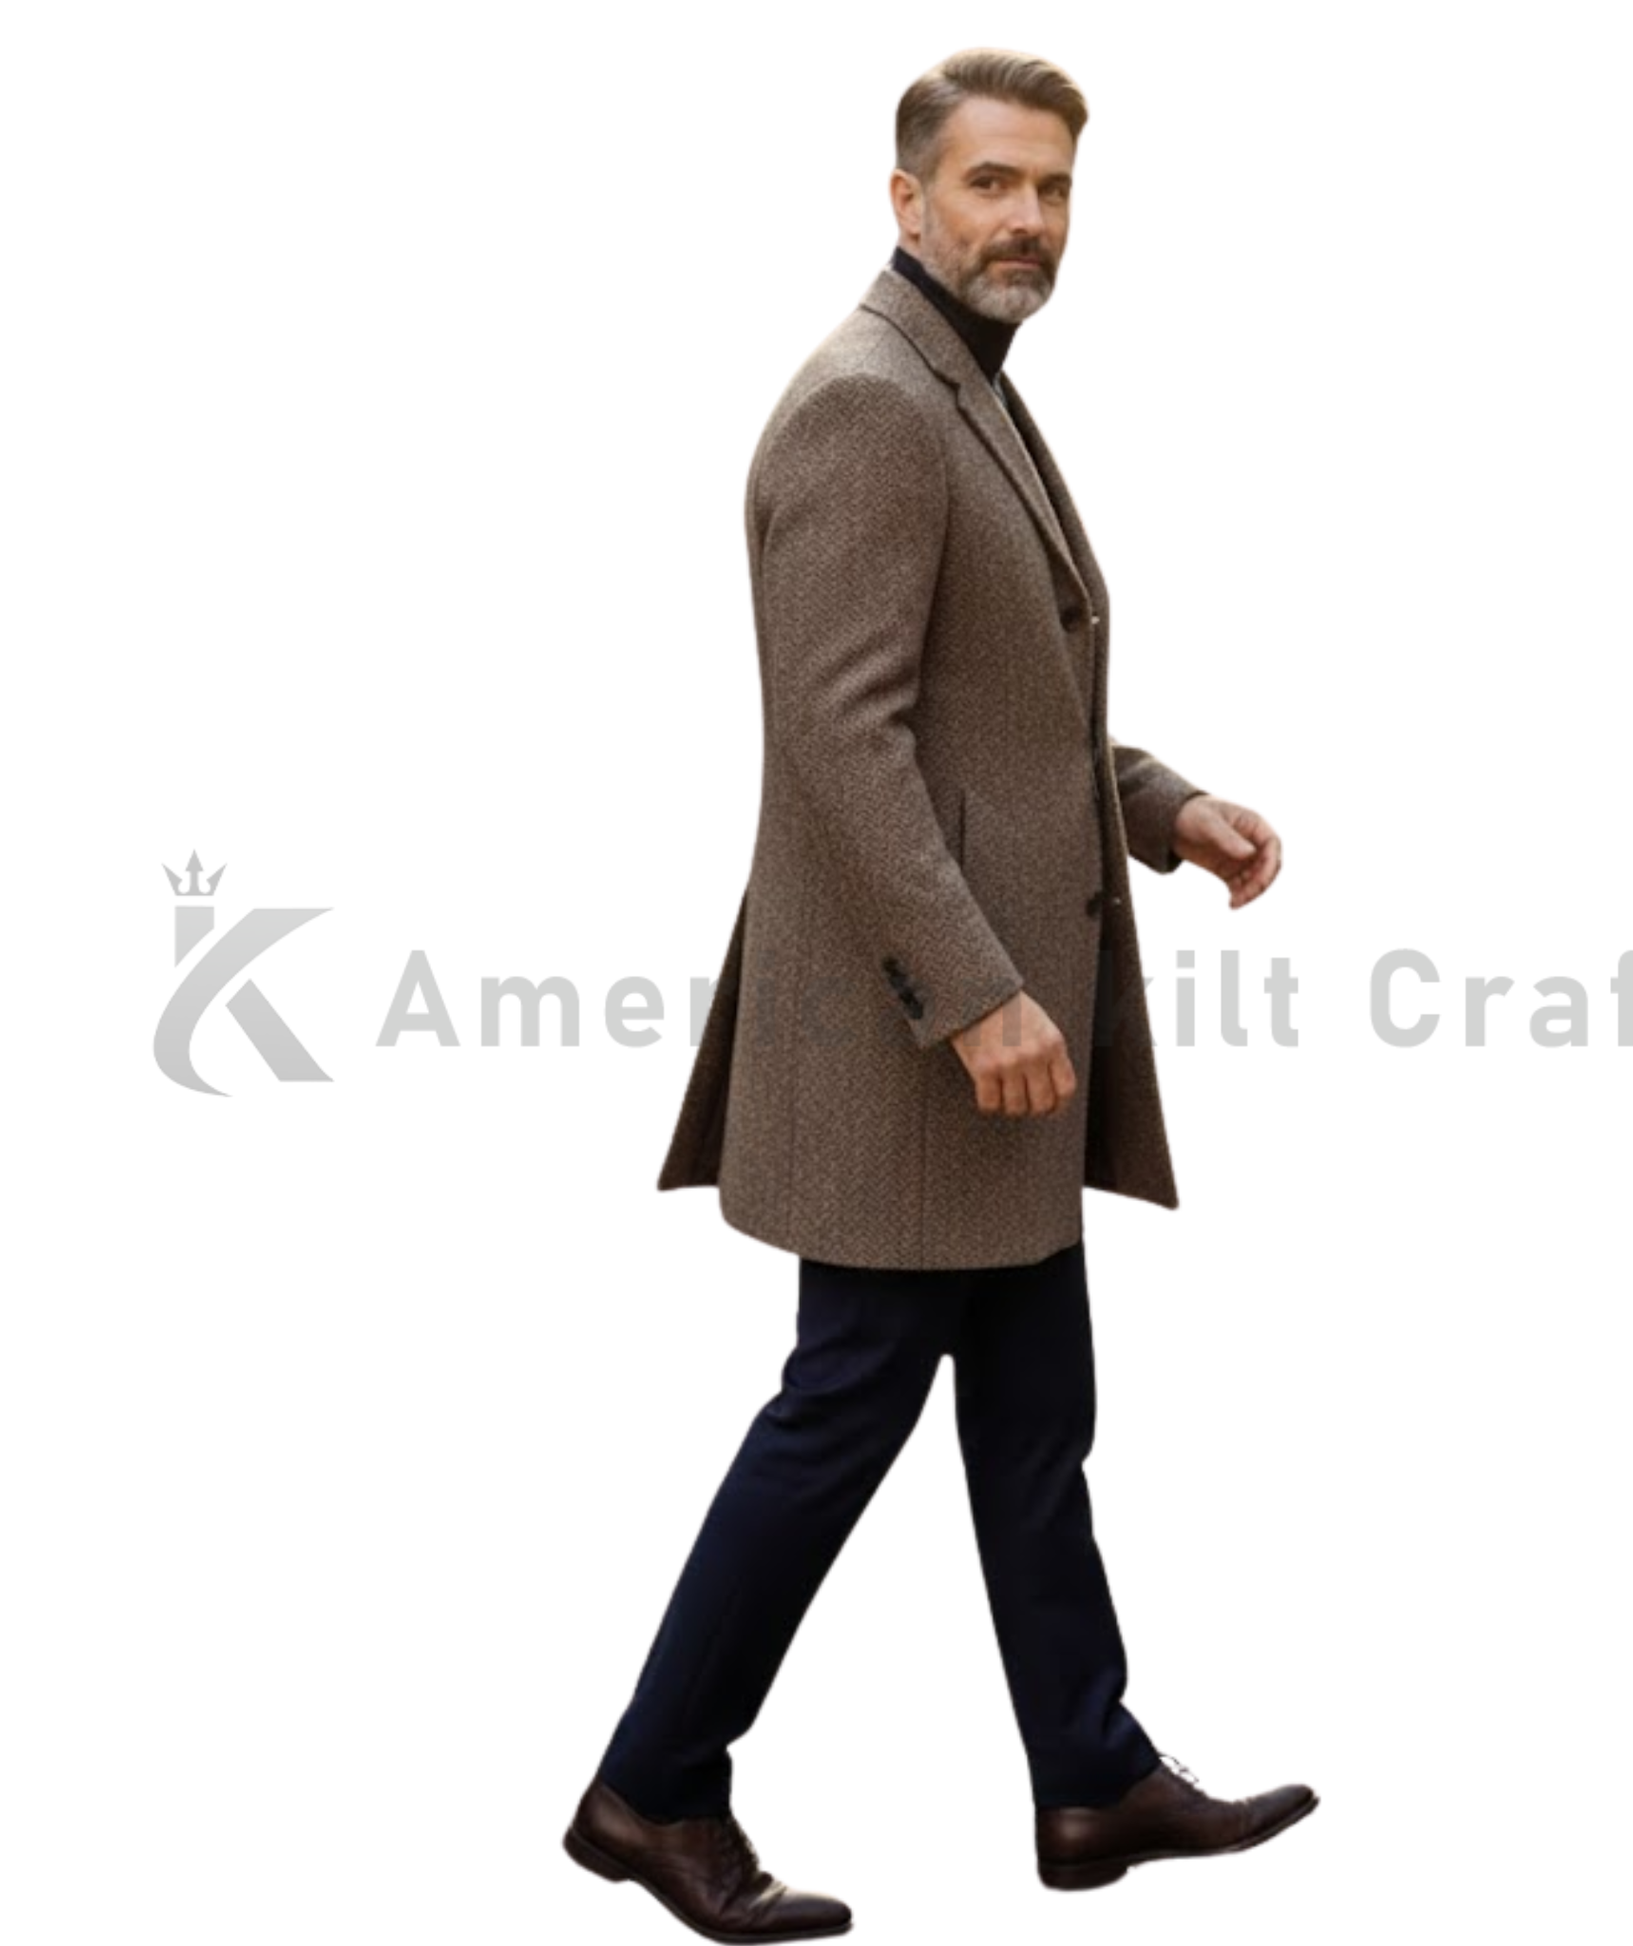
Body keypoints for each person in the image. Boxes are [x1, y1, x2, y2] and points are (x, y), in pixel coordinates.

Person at [563, 48, 1311, 1941]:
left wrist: (1162, 805)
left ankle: (1089, 1774)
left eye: (1051, 189)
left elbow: (1001, 711)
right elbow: (844, 740)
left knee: (1036, 1418)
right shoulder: (869, 405)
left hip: (990, 1048)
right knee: (839, 1410)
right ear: (906, 200)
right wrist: (974, 991)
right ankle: (651, 1786)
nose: (1027, 220)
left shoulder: (964, 382)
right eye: (990, 184)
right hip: (921, 1047)